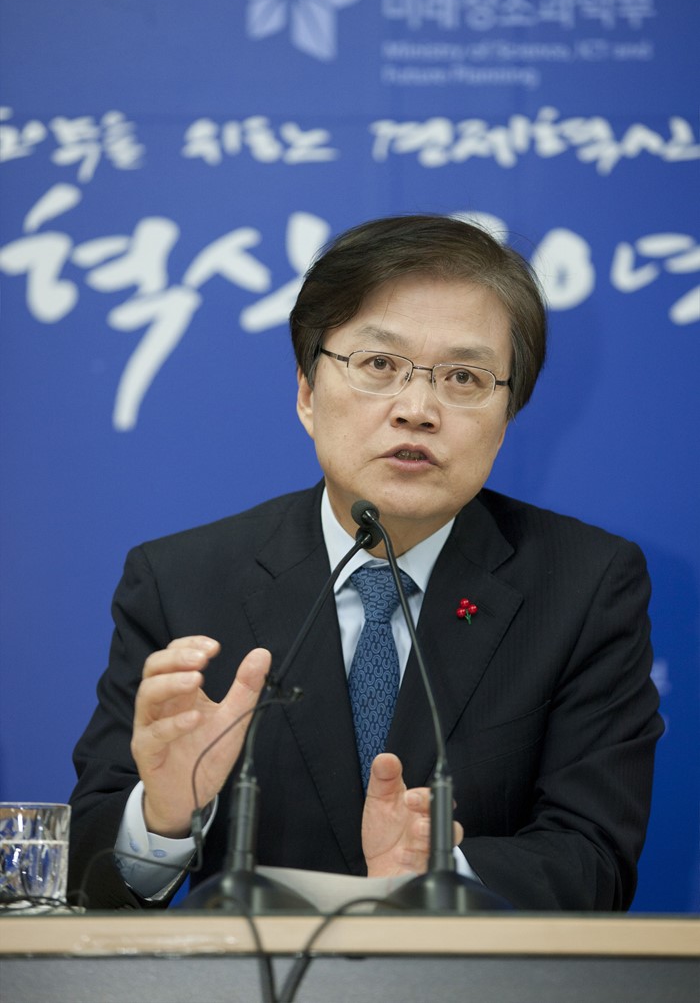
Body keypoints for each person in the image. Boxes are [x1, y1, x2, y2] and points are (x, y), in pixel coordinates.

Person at [68, 214, 663, 911]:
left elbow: (594, 861)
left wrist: (438, 875)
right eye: (380, 365)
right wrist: (164, 816)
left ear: (506, 419)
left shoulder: (584, 585)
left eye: (464, 377)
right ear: (307, 392)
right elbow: (88, 877)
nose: (417, 409)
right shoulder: (182, 582)